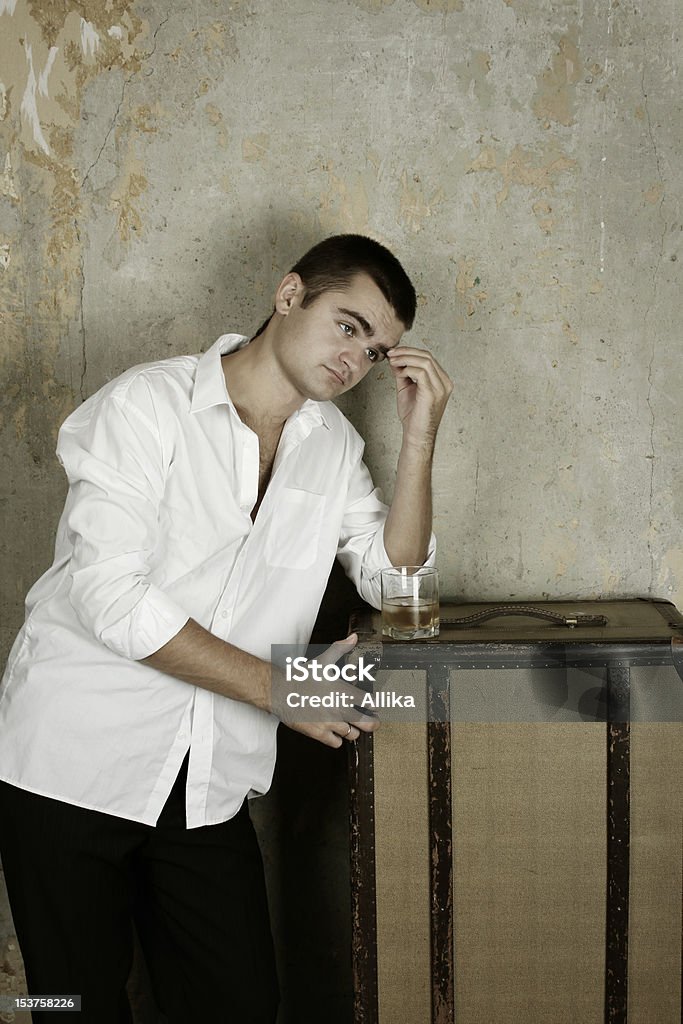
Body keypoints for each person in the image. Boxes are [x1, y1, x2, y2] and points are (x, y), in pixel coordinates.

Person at [0, 234, 452, 1023]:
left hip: (207, 778)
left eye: (375, 351)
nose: (356, 360)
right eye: (348, 325)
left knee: (239, 1003)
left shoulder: (332, 446)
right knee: (68, 1003)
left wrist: (418, 437)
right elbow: (111, 595)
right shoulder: (145, 404)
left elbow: (394, 580)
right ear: (288, 295)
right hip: (68, 763)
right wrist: (283, 688)